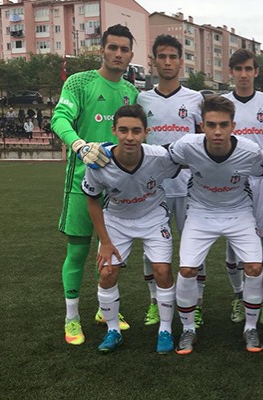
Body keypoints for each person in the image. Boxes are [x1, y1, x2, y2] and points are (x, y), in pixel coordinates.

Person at [51, 24, 139, 346]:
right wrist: (79, 145)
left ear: (130, 55)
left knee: (111, 253)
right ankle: (71, 318)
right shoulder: (79, 82)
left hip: (117, 190)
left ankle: (105, 309)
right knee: (77, 252)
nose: (118, 54)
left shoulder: (131, 92)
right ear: (102, 50)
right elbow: (59, 119)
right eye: (112, 47)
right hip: (81, 182)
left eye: (124, 49)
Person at [167, 95, 263, 354]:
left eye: (224, 125)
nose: (218, 131)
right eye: (211, 125)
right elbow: (159, 155)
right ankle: (188, 329)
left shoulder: (249, 151)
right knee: (187, 270)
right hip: (201, 213)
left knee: (255, 267)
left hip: (238, 212)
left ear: (233, 126)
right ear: (202, 126)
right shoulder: (187, 145)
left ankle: (250, 327)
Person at [83, 104, 181, 354]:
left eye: (136, 131)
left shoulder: (160, 157)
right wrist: (105, 241)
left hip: (153, 217)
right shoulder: (98, 161)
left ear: (146, 132)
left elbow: (191, 156)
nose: (129, 137)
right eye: (124, 130)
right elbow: (92, 200)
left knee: (162, 271)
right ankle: (113, 330)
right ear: (114, 130)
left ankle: (165, 330)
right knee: (107, 273)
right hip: (117, 220)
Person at [137, 34, 205, 327]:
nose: (167, 62)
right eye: (162, 57)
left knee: (194, 249)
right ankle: (155, 301)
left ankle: (196, 304)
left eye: (172, 57)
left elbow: (202, 141)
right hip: (154, 188)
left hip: (189, 187)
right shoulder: (143, 99)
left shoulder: (195, 99)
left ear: (180, 62)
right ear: (153, 61)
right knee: (150, 251)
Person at [223, 49, 263, 325]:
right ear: (231, 72)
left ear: (256, 72)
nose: (243, 74)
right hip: (232, 178)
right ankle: (238, 295)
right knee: (234, 241)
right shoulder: (223, 102)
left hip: (262, 179)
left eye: (248, 69)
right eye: (238, 69)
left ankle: (261, 299)